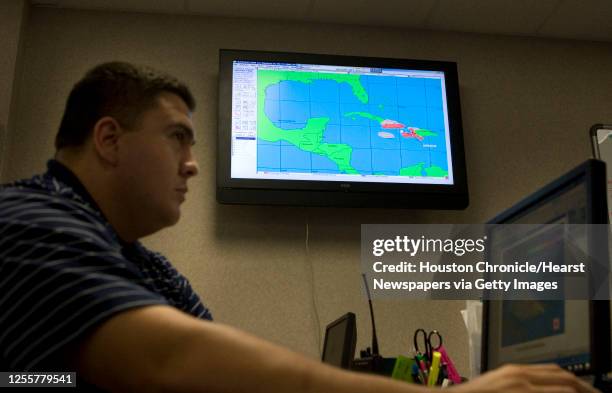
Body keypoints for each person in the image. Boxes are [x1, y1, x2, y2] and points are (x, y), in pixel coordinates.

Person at [0, 62, 597, 393]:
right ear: (108, 139)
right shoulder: (33, 223)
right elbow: (173, 361)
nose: (193, 163)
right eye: (177, 137)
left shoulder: (142, 263)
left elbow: (223, 374)